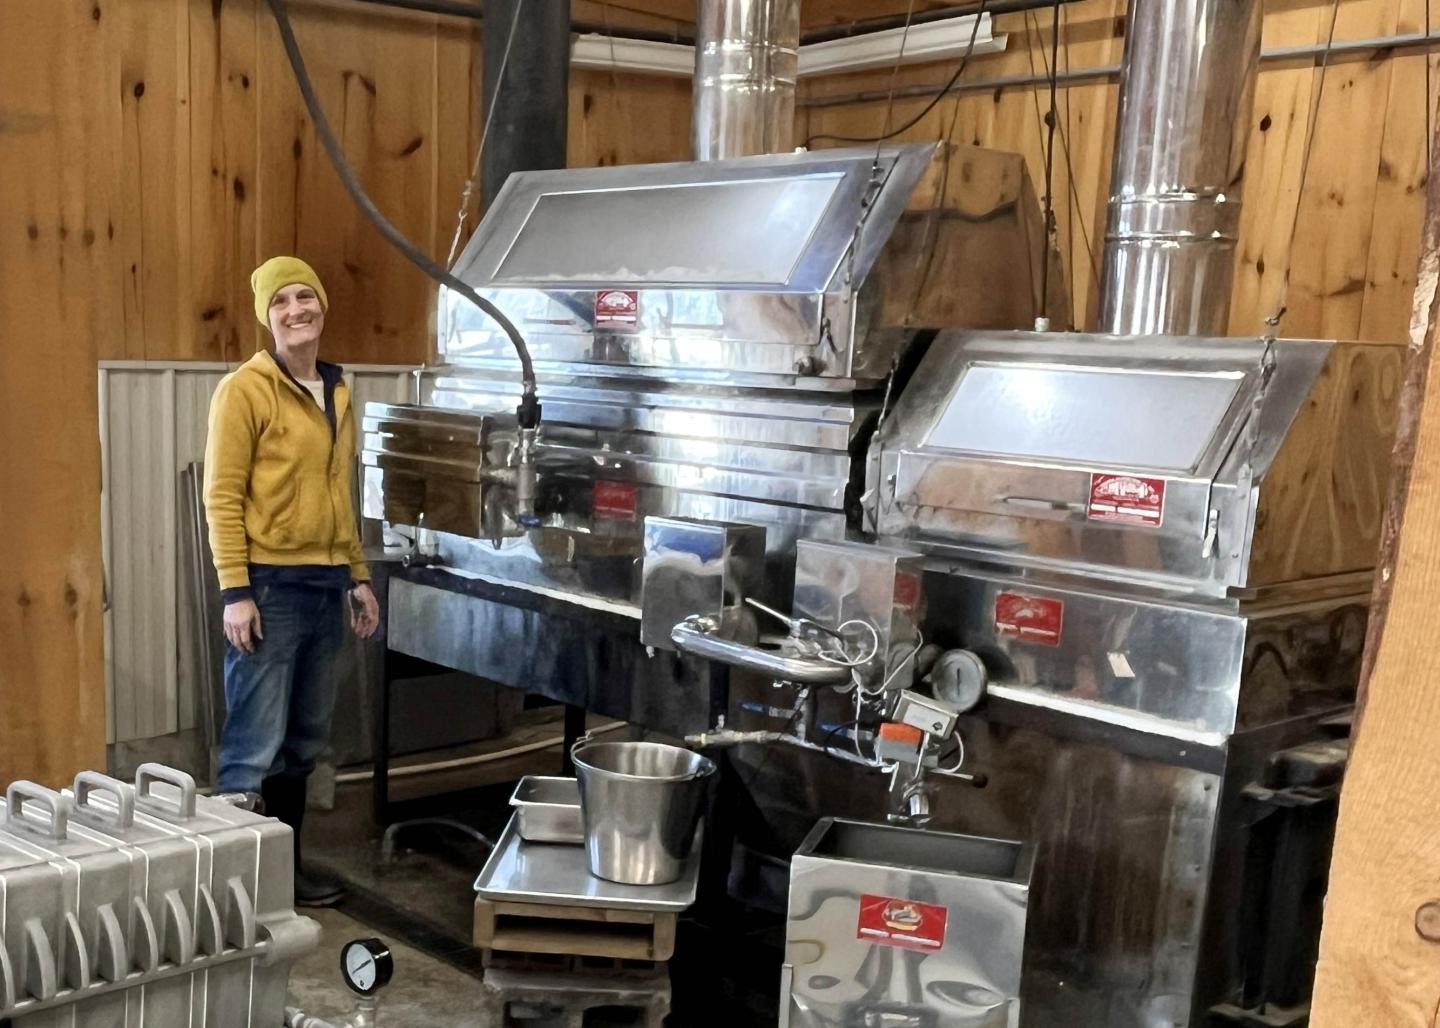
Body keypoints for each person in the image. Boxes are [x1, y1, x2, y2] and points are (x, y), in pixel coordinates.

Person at [204, 256, 380, 906]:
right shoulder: (244, 391)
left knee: (303, 741)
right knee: (254, 745)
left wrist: (357, 577)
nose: (297, 309)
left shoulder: (337, 390)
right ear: (267, 317)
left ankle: (283, 877)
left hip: (324, 588)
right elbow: (221, 496)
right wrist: (235, 592)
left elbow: (340, 493)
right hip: (268, 592)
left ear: (323, 307)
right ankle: (237, 892)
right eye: (282, 301)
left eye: (307, 296)